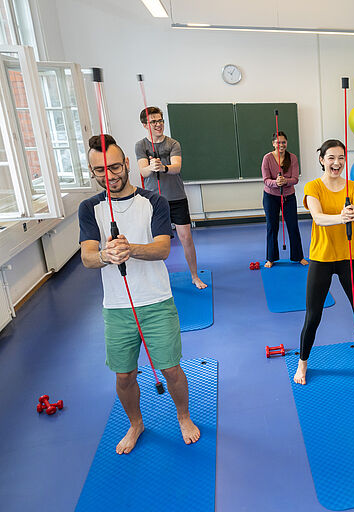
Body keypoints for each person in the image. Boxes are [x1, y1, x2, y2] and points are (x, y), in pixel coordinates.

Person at [79, 134, 200, 454]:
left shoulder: (154, 201)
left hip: (157, 301)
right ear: (92, 172)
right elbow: (87, 256)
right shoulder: (89, 208)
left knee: (171, 369)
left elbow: (162, 249)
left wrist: (130, 249)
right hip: (116, 308)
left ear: (128, 164)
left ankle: (183, 416)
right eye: (100, 171)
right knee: (124, 375)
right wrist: (106, 255)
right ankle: (136, 424)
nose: (110, 175)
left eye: (115, 167)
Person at [293, 140, 354, 385]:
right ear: (322, 160)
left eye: (340, 157)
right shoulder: (313, 187)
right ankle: (303, 363)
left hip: (348, 258)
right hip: (321, 258)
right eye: (331, 157)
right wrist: (341, 217)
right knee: (313, 316)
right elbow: (318, 218)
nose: (336, 163)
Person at [136, 106, 207, 290]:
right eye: (153, 122)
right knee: (158, 242)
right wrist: (152, 167)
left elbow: (177, 167)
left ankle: (194, 276)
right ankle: (159, 279)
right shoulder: (141, 146)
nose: (158, 124)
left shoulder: (173, 143)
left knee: (186, 238)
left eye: (160, 121)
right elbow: (143, 171)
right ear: (145, 125)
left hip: (177, 198)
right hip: (155, 201)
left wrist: (163, 167)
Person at [261, 131, 308, 267]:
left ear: (286, 143)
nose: (281, 144)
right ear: (273, 143)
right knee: (272, 226)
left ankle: (298, 257)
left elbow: (295, 179)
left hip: (288, 197)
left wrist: (285, 181)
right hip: (271, 197)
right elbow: (265, 179)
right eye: (278, 142)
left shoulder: (292, 157)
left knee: (293, 226)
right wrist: (276, 183)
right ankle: (271, 258)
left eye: (283, 142)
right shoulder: (267, 158)